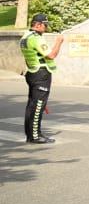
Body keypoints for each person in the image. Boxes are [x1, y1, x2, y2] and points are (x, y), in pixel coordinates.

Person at [20, 13, 64, 144]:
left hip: (33, 74)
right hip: (41, 75)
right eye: (45, 25)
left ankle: (31, 135)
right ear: (38, 25)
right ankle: (35, 136)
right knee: (37, 107)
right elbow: (51, 55)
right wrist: (58, 42)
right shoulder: (36, 38)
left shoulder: (25, 36)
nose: (46, 28)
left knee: (32, 106)